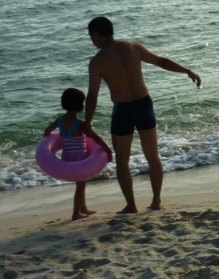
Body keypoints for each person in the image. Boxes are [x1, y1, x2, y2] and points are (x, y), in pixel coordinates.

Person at [85, 16, 201, 213]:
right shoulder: (133, 46)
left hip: (123, 109)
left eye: (91, 37)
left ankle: (131, 205)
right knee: (152, 155)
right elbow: (161, 61)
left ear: (97, 34)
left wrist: (87, 122)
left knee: (122, 159)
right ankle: (157, 201)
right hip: (143, 104)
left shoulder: (97, 62)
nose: (92, 41)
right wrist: (186, 70)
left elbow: (92, 97)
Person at [43, 87, 113, 220]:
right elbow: (96, 138)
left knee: (81, 184)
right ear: (80, 106)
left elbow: (47, 131)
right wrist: (108, 150)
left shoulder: (60, 120)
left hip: (67, 157)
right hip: (80, 157)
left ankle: (83, 208)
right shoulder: (80, 124)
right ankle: (76, 213)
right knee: (81, 186)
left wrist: (52, 140)